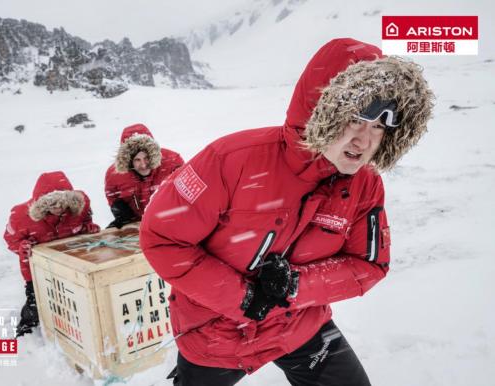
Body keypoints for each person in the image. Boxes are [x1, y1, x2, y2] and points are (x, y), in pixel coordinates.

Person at [140, 38, 434, 386]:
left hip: (299, 325)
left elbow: (369, 265)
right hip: (214, 332)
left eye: (379, 127)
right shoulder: (232, 160)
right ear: (321, 109)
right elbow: (162, 239)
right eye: (355, 119)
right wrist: (244, 298)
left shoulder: (364, 186)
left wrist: (295, 286)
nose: (364, 140)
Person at [4, 171, 100, 337]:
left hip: (70, 262)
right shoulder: (21, 216)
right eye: (51, 204)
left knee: (73, 298)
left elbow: (85, 221)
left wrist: (88, 228)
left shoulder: (80, 204)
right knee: (36, 303)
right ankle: (26, 329)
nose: (57, 208)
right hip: (35, 269)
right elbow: (10, 241)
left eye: (61, 203)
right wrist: (22, 246)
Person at [104, 123, 184, 228]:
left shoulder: (172, 162)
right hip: (138, 225)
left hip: (173, 219)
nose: (143, 165)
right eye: (137, 160)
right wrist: (123, 215)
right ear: (128, 161)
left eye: (146, 158)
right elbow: (113, 197)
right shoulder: (114, 175)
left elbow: (187, 191)